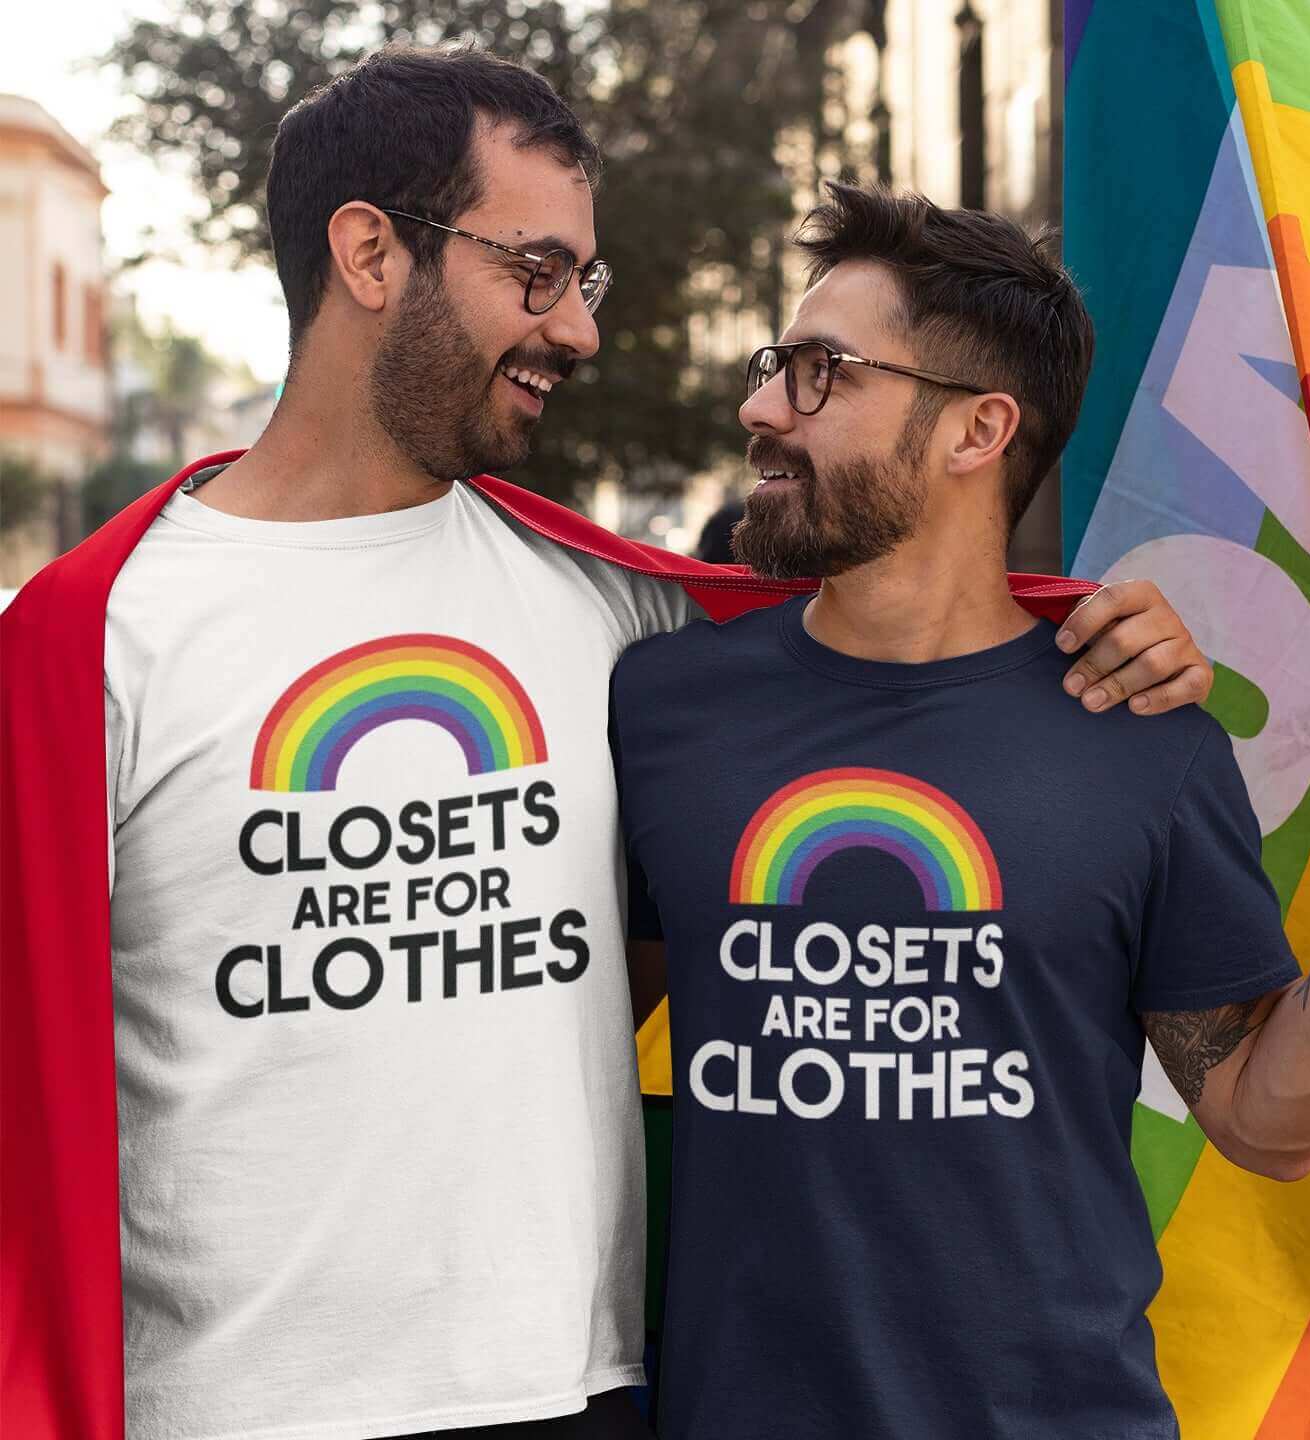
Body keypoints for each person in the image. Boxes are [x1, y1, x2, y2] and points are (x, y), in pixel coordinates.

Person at [0, 48, 1215, 1440]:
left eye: (588, 282)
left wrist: (1102, 631)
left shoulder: (619, 611)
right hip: (223, 1411)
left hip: (581, 1399)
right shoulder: (91, 638)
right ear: (370, 253)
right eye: (538, 270)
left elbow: (916, 630)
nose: (576, 330)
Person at [609, 182, 1310, 1440]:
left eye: (823, 372)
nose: (762, 409)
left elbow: (1268, 1126)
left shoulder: (1145, 740)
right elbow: (565, 1046)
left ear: (977, 430)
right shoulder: (660, 707)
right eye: (779, 364)